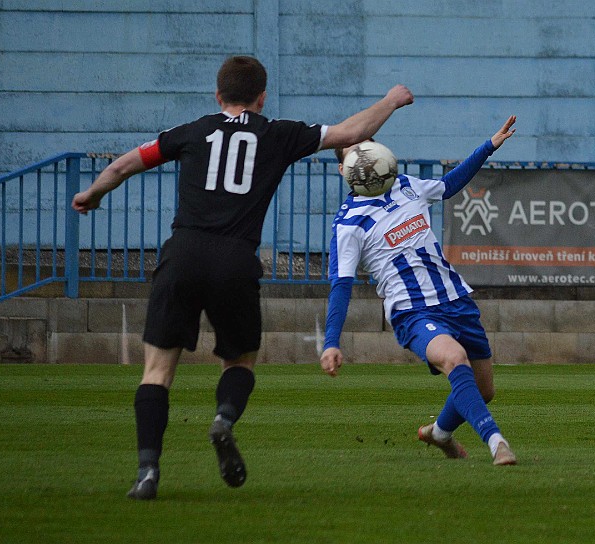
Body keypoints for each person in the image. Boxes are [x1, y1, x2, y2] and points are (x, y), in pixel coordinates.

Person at [71, 55, 414, 500]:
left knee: (156, 372)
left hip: (184, 254)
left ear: (218, 96)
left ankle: (147, 472)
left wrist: (92, 194)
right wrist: (390, 100)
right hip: (235, 260)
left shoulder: (190, 132)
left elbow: (122, 166)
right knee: (240, 362)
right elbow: (350, 133)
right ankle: (224, 420)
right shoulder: (277, 133)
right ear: (262, 96)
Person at [320, 116, 517, 466]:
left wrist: (487, 147)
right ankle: (496, 442)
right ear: (342, 171)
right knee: (455, 360)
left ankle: (439, 433)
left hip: (455, 298)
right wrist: (331, 341)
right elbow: (341, 284)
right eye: (352, 157)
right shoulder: (348, 224)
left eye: (365, 151)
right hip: (413, 311)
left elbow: (447, 185)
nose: (363, 162)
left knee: (484, 390)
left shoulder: (407, 185)